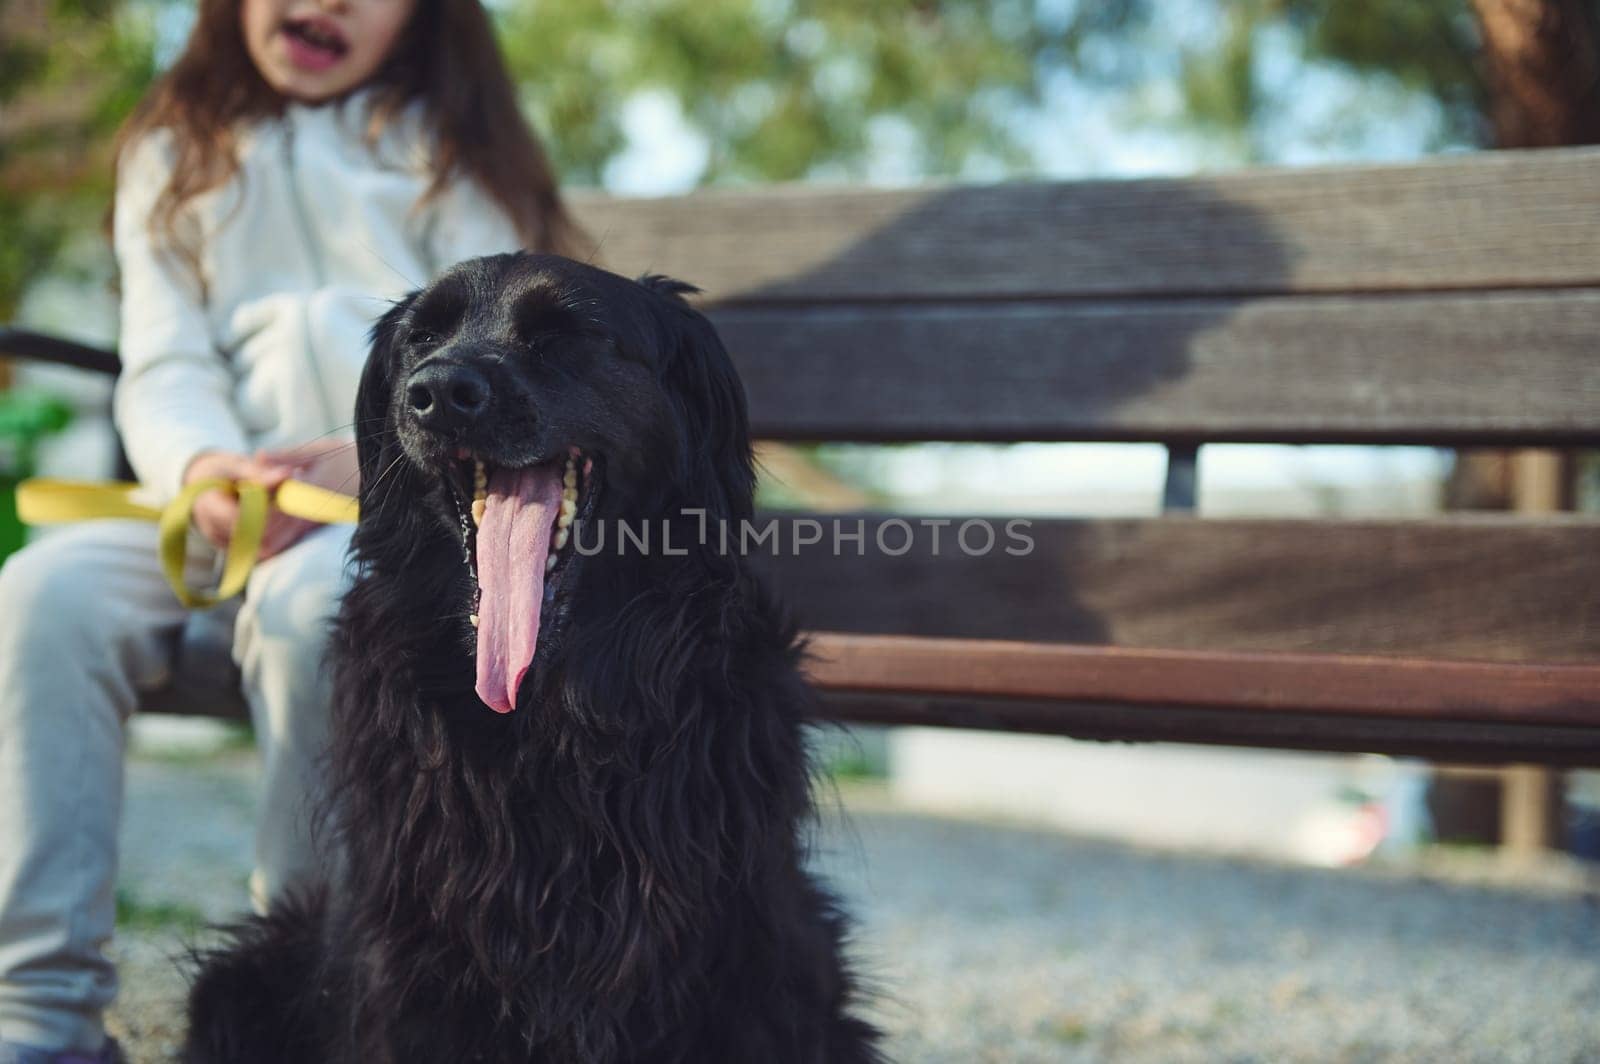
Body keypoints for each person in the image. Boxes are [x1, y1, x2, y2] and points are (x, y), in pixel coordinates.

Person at [0, 0, 584, 1059]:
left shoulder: (456, 156)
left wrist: (360, 457)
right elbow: (165, 357)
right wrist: (202, 468)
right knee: (42, 589)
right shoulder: (176, 152)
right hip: (210, 503)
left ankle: (303, 998)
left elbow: (491, 359)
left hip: (392, 505)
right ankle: (39, 1016)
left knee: (323, 602)